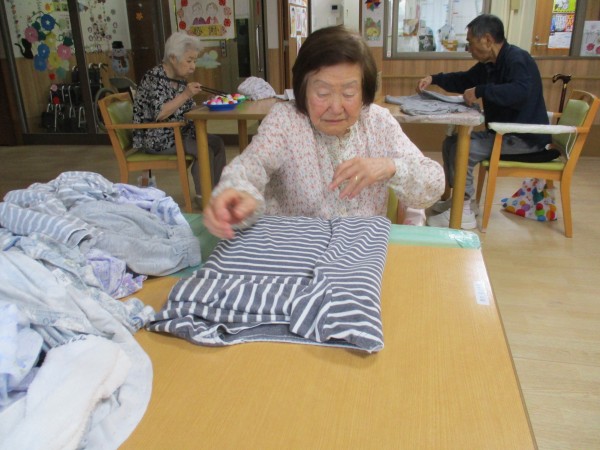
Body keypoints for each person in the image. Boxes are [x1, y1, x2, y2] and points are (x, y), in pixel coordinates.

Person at [204, 25, 444, 239]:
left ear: (364, 91)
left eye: (349, 93)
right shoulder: (286, 120)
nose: (336, 107)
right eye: (322, 93)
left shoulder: (378, 122)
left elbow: (433, 182)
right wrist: (236, 193)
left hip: (361, 253)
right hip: (297, 253)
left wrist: (389, 167)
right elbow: (249, 167)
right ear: (302, 89)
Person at [416, 14, 551, 229]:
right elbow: (464, 79)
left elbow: (520, 92)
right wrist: (434, 79)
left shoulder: (518, 59)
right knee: (450, 143)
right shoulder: (489, 65)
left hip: (524, 138)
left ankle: (463, 211)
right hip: (505, 133)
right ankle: (461, 199)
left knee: (464, 148)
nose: (469, 48)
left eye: (471, 42)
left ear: (487, 39)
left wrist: (481, 91)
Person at [133, 31, 226, 205]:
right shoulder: (154, 78)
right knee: (203, 148)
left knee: (217, 143)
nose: (193, 67)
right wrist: (186, 95)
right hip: (158, 138)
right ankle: (205, 198)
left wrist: (208, 104)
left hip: (179, 133)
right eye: (189, 61)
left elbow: (187, 108)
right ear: (173, 58)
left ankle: (216, 192)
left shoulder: (178, 78)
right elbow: (160, 113)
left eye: (195, 61)